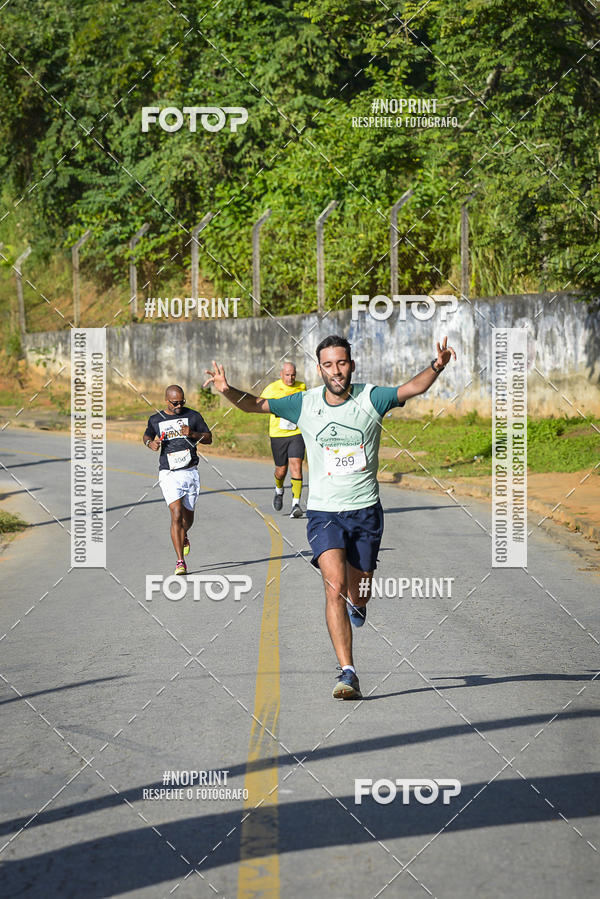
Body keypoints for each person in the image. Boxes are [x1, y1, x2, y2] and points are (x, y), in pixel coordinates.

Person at [204, 334, 456, 700]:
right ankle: (348, 672)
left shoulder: (372, 398)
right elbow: (255, 405)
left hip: (366, 511)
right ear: (319, 368)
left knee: (361, 591)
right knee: (334, 586)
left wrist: (437, 365)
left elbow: (411, 388)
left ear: (350, 365)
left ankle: (361, 602)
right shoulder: (303, 403)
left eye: (341, 363)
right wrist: (227, 390)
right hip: (324, 512)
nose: (335, 370)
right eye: (327, 364)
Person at [143, 385, 212, 575]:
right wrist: (151, 443)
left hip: (190, 472)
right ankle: (180, 561)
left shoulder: (193, 416)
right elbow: (147, 435)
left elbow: (209, 438)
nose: (179, 405)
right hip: (169, 473)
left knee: (187, 519)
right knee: (176, 513)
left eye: (182, 402)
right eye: (175, 403)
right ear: (167, 401)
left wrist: (193, 434)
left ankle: (185, 534)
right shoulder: (156, 419)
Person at [260, 362, 306, 517]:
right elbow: (260, 405)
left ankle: (296, 504)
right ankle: (279, 490)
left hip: (296, 433)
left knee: (296, 466)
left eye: (293, 375)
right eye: (287, 375)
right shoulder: (272, 389)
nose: (290, 378)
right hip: (278, 435)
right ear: (281, 374)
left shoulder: (302, 387)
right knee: (281, 471)